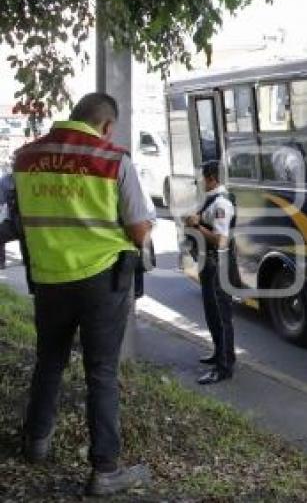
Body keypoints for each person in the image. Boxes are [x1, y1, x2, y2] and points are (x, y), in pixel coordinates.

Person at [16, 93, 154, 496]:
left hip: (48, 277)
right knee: (102, 372)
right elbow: (139, 228)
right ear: (107, 126)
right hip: (101, 280)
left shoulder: (26, 157)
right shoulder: (113, 160)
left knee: (49, 361)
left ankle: (36, 442)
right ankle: (105, 470)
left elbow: (23, 218)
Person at [183, 160, 236, 385]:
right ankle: (219, 353)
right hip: (208, 264)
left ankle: (224, 367)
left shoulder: (222, 204)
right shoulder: (211, 200)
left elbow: (221, 240)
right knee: (211, 313)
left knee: (221, 316)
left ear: (212, 178)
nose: (200, 182)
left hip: (217, 265)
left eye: (202, 178)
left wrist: (196, 226)